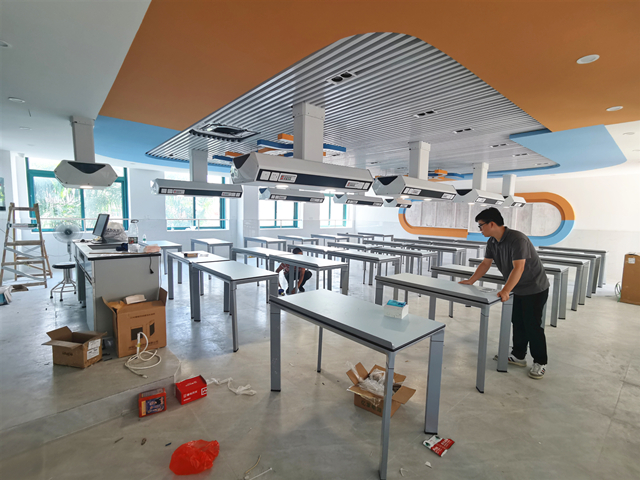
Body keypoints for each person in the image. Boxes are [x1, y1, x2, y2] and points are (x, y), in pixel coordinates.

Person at [459, 208, 550, 380]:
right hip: (517, 288)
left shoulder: (517, 239)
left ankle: (540, 361)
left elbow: (519, 267)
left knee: (532, 325)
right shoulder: (492, 242)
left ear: (492, 224)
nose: (480, 229)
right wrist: (471, 281)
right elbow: (486, 264)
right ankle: (518, 355)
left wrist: (506, 290)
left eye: (481, 226)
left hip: (534, 287)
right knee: (517, 321)